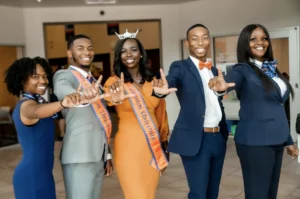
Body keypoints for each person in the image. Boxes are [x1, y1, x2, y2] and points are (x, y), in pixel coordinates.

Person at [208, 24, 299, 199]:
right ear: (245, 43)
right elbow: (227, 83)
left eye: (264, 38)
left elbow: (276, 107)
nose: (260, 42)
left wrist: (288, 140)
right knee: (257, 194)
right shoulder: (242, 70)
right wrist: (221, 87)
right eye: (253, 39)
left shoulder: (272, 69)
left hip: (276, 140)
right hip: (255, 142)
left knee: (270, 193)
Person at [152, 24, 228, 199]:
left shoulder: (215, 71)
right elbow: (171, 80)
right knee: (198, 194)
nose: (200, 42)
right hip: (196, 140)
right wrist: (161, 89)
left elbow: (215, 100)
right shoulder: (180, 67)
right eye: (195, 38)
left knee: (212, 193)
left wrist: (222, 91)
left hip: (218, 138)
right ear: (187, 43)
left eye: (204, 37)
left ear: (209, 40)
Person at [4, 57, 91, 199]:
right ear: (22, 80)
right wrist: (62, 103)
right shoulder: (26, 106)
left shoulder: (38, 102)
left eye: (45, 76)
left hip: (43, 174)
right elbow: (37, 111)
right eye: (35, 77)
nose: (43, 81)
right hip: (31, 176)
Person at [104, 32, 170, 199]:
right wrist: (115, 98)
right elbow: (111, 99)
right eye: (123, 51)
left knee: (148, 194)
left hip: (152, 146)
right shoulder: (114, 82)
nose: (129, 54)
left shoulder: (153, 82)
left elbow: (161, 114)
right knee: (135, 194)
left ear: (141, 54)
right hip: (128, 147)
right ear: (119, 56)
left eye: (133, 50)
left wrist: (164, 143)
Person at [53, 34, 116, 199]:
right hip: (78, 155)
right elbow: (65, 92)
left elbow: (101, 123)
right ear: (69, 53)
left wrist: (107, 155)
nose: (86, 52)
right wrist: (78, 96)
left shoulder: (94, 81)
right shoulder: (64, 75)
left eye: (90, 48)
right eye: (80, 48)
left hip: (97, 155)